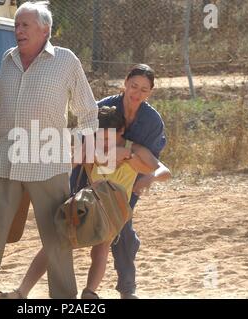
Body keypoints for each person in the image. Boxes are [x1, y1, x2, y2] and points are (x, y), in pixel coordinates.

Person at [0, 1, 98, 299]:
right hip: (4, 160)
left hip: (47, 162)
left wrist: (80, 145)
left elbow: (87, 110)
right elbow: (2, 108)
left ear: (44, 29)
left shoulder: (65, 61)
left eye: (24, 25)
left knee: (56, 238)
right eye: (16, 25)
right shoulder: (7, 60)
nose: (17, 30)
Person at [0, 106, 171, 299]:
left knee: (101, 248)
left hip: (115, 210)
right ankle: (21, 292)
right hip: (91, 205)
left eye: (105, 138)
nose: (102, 143)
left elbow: (164, 171)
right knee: (54, 244)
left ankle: (89, 293)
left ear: (120, 132)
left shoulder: (135, 150)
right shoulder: (93, 148)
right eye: (97, 137)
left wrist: (148, 178)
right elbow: (69, 163)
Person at [97, 64, 167, 299]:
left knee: (121, 229)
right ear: (125, 83)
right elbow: (83, 141)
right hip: (94, 175)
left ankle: (127, 289)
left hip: (129, 180)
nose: (137, 93)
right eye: (134, 86)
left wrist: (147, 177)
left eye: (144, 90)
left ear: (150, 93)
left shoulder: (152, 121)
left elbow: (154, 160)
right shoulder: (104, 107)